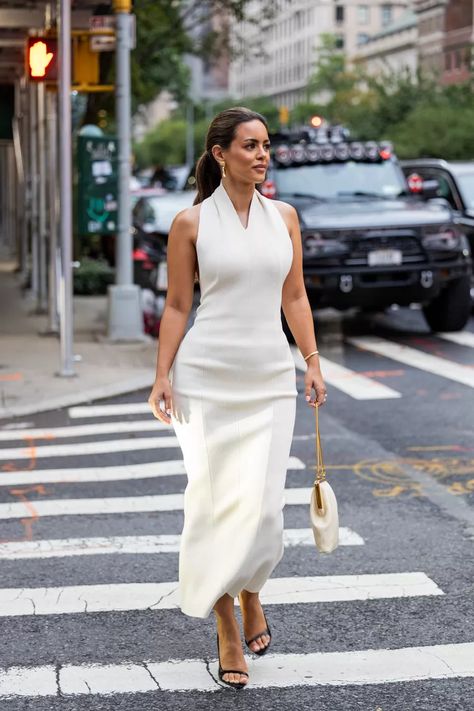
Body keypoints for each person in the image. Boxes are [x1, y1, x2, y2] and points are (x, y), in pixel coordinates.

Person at [148, 106, 327, 690]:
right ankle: (226, 620)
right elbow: (178, 306)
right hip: (206, 377)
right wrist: (161, 375)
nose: (262, 154)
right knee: (214, 500)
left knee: (263, 509)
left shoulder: (286, 218)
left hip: (270, 377)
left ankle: (253, 589)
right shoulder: (190, 224)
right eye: (250, 146)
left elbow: (294, 296)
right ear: (220, 153)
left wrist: (311, 362)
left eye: (266, 145)